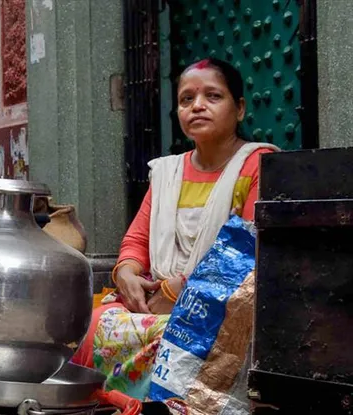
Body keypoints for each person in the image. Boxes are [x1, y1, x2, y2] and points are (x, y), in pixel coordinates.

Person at [70, 58, 278, 397]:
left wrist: (178, 293)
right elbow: (137, 239)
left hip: (224, 305)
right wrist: (126, 272)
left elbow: (248, 256)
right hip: (156, 297)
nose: (197, 106)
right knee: (90, 324)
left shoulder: (257, 165)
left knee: (176, 338)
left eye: (213, 96)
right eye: (186, 99)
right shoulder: (167, 172)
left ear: (239, 108)